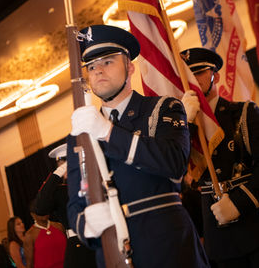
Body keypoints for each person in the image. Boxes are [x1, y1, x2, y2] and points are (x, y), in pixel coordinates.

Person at [67, 24, 210, 268]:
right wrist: (86, 225)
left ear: (130, 67)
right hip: (114, 254)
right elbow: (75, 201)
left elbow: (174, 164)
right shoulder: (79, 134)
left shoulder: (163, 108)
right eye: (91, 66)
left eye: (108, 62)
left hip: (168, 248)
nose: (98, 71)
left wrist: (108, 132)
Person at [181, 47, 259, 268]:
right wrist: (184, 124)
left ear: (216, 75)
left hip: (252, 222)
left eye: (198, 73)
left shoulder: (243, 112)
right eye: (187, 76)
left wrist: (239, 201)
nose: (192, 82)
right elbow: (175, 170)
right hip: (218, 234)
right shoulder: (185, 128)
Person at [34, 143, 96, 267]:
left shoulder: (91, 182)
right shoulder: (59, 191)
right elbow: (40, 208)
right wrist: (58, 174)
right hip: (77, 245)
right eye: (61, 166)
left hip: (99, 237)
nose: (66, 169)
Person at [24, 200, 67, 268]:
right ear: (33, 214)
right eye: (40, 210)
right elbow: (29, 264)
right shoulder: (30, 235)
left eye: (45, 208)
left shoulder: (59, 226)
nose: (43, 212)